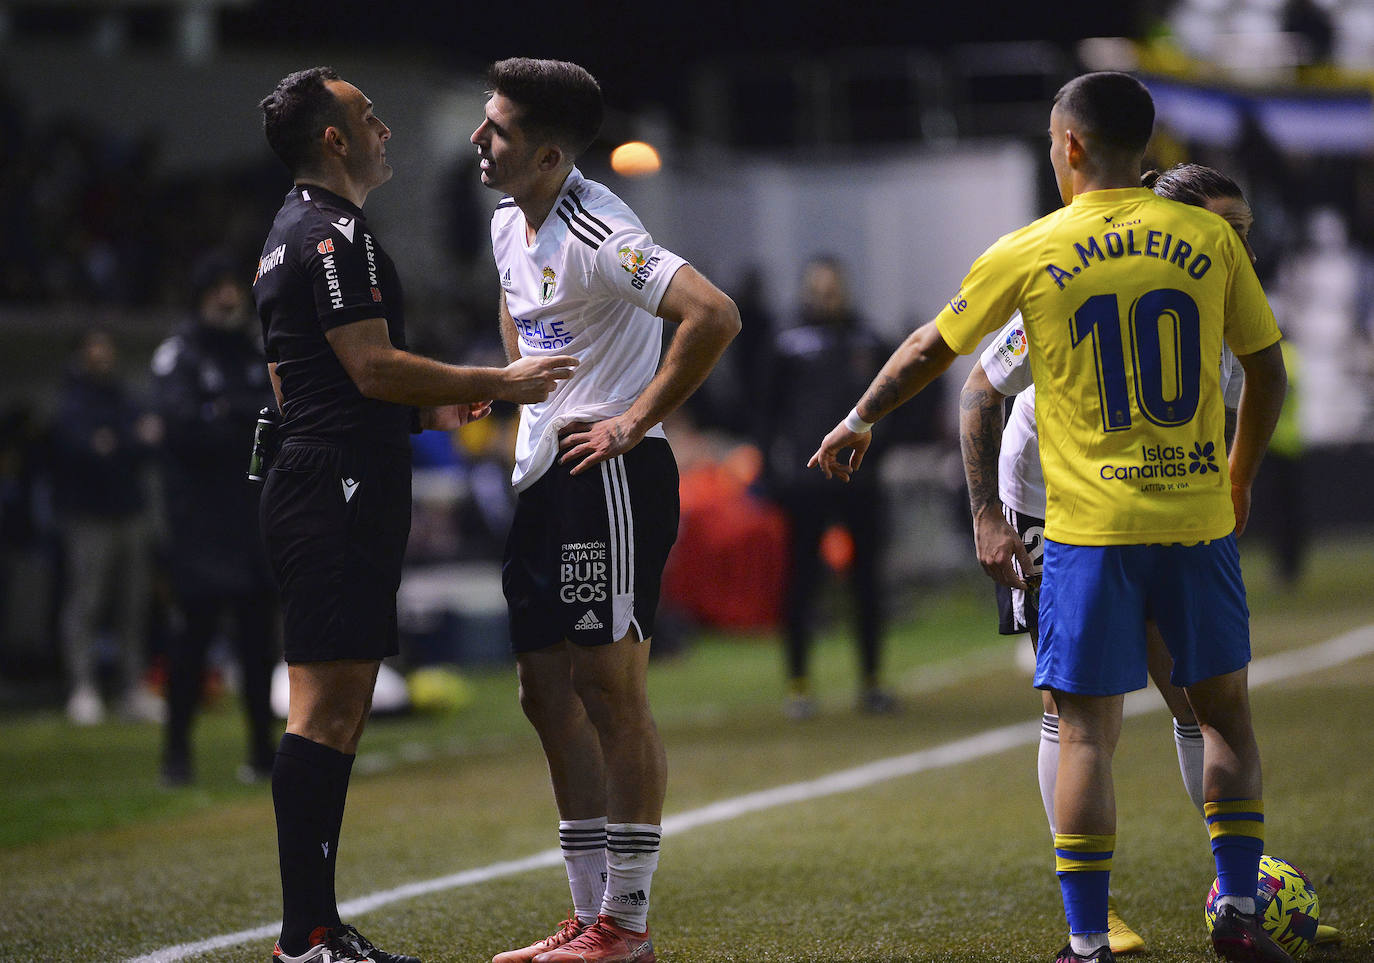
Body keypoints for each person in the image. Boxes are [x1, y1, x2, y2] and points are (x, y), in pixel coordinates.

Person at [810, 73, 1290, 963]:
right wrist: (1241, 476)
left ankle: (1087, 939)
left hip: (1088, 530)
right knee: (1223, 716)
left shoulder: (1033, 247)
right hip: (1194, 520)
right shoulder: (1211, 240)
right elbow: (1268, 369)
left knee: (1082, 733)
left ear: (1070, 144)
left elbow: (932, 349)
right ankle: (1238, 909)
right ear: (1149, 147)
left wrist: (859, 418)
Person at [958, 162, 1335, 954]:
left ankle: (1242, 888)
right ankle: (1096, 920)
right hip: (1049, 495)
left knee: (1194, 694)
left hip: (1147, 498)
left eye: (1245, 232)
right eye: (1226, 229)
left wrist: (1230, 478)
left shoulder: (1221, 288)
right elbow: (983, 383)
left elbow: (1254, 384)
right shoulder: (1096, 269)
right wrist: (989, 511)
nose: (1240, 247)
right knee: (1073, 708)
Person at [253, 66, 577, 963]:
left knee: (338, 709)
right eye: (368, 115)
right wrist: (498, 381)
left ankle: (314, 929)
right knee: (324, 711)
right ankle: (306, 936)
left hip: (327, 475)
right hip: (335, 486)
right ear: (334, 139)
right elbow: (369, 366)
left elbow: (299, 384)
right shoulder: (333, 234)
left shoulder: (287, 234)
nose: (384, 127)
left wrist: (421, 410)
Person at [471, 57, 740, 963]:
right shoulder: (508, 220)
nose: (479, 138)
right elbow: (519, 311)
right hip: (543, 471)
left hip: (609, 474)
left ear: (549, 155)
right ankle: (588, 916)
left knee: (609, 689)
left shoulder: (600, 228)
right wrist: (515, 385)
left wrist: (633, 418)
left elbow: (713, 314)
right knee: (543, 690)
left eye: (498, 129)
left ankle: (625, 922)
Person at [151, 249, 280, 786]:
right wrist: (239, 418)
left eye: (234, 287)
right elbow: (182, 430)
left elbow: (276, 415)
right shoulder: (178, 355)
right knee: (191, 644)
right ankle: (176, 754)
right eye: (218, 288)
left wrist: (225, 412)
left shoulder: (254, 350)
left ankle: (262, 752)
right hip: (198, 525)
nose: (229, 298)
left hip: (251, 518)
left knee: (258, 643)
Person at [759, 256, 895, 718]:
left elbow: (898, 400)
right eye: (818, 287)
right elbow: (766, 412)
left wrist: (883, 450)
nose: (826, 295)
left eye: (832, 287)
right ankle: (798, 685)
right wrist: (771, 471)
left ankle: (872, 682)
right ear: (806, 291)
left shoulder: (869, 339)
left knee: (868, 583)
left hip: (860, 478)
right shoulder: (788, 342)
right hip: (807, 481)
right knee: (801, 582)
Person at [48, 326, 164, 725]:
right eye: (94, 346)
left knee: (134, 605)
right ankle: (83, 688)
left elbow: (149, 439)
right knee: (87, 603)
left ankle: (132, 688)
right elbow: (85, 449)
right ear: (81, 353)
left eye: (106, 346)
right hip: (88, 518)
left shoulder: (124, 396)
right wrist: (127, 441)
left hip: (130, 513)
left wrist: (118, 442)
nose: (102, 353)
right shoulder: (71, 400)